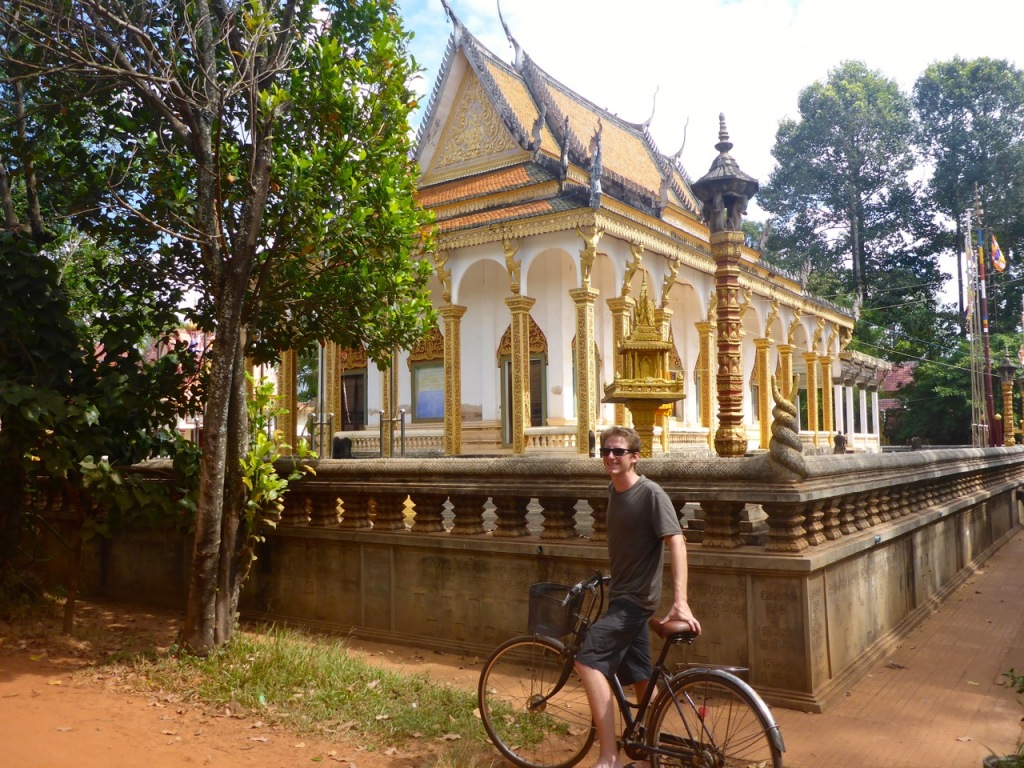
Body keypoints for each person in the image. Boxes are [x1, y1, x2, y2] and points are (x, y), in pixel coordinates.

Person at [574, 425, 701, 768]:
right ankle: (650, 753)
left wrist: (680, 601)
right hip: (625, 597)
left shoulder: (650, 494)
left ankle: (608, 756)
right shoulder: (614, 491)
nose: (610, 457)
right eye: (606, 451)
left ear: (634, 457)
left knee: (587, 661)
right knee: (643, 675)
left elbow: (676, 541)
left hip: (634, 603)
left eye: (618, 451)